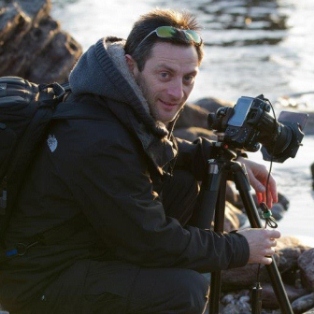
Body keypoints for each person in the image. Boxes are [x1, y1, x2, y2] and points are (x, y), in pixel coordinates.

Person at [0, 8, 281, 314]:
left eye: (188, 78)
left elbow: (159, 148)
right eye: (165, 75)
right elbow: (152, 239)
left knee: (183, 184)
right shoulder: (98, 138)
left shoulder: (111, 93)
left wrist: (218, 158)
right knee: (185, 290)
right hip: (38, 280)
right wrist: (239, 248)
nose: (178, 92)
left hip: (78, 243)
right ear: (132, 66)